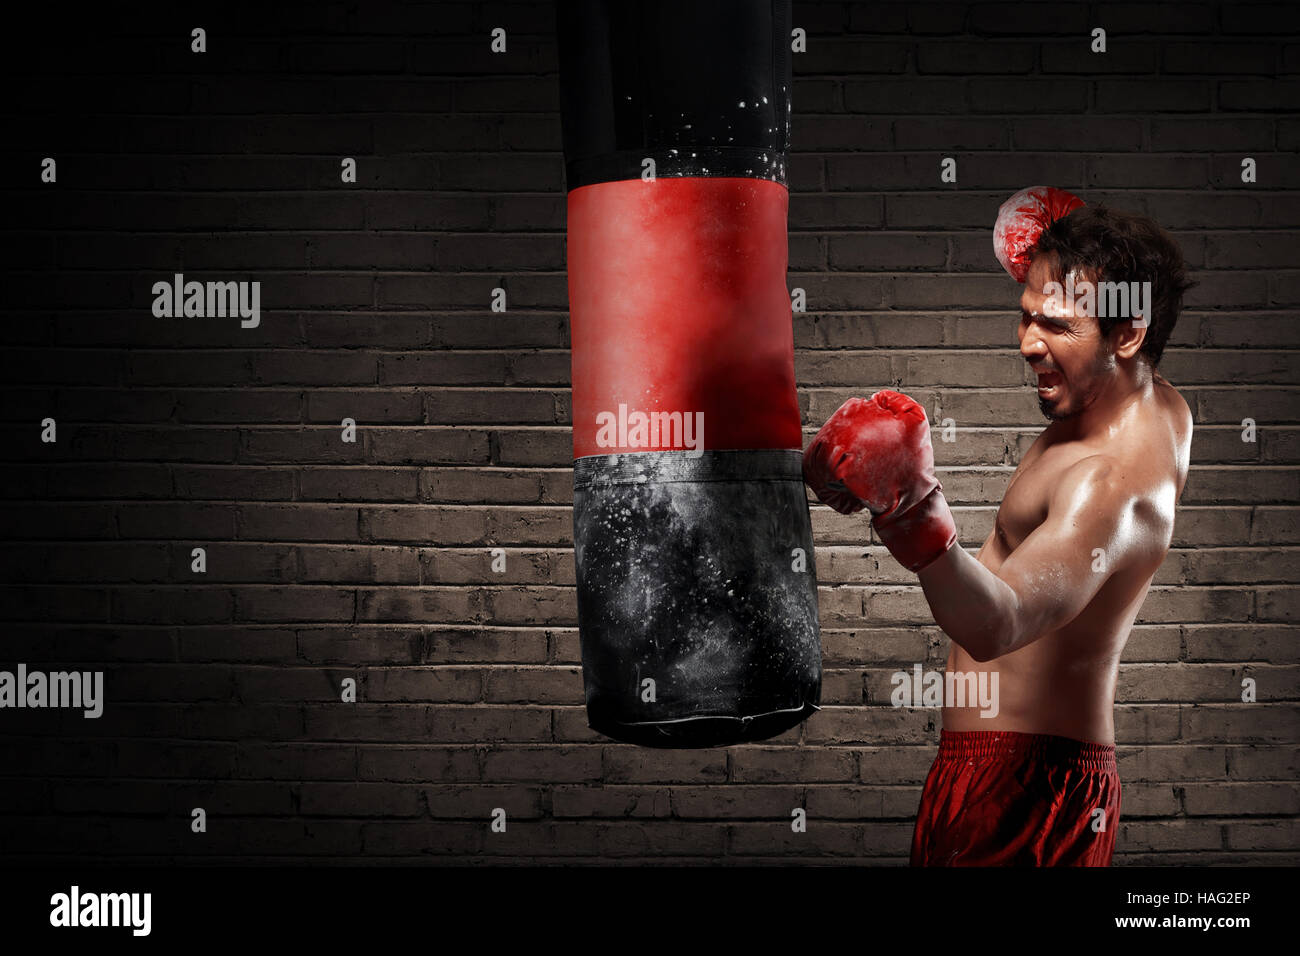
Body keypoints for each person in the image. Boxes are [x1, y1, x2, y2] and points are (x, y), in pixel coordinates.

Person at [802, 189, 1195, 865]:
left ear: (1128, 333)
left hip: (1022, 793)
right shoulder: (1155, 399)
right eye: (1026, 318)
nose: (1028, 345)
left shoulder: (1111, 483)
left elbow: (998, 626)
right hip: (1011, 776)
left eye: (1057, 328)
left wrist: (911, 511)